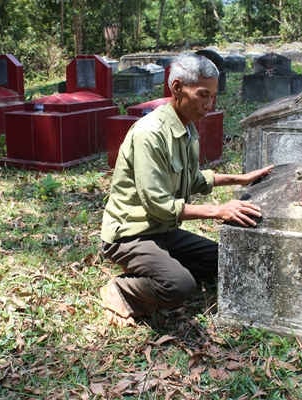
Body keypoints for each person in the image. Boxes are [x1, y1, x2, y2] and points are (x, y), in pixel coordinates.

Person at [99, 53, 273, 326]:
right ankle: (122, 289)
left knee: (222, 260)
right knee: (179, 286)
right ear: (177, 88)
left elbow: (193, 179)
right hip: (130, 235)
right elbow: (158, 205)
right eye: (203, 95)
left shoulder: (187, 129)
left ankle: (162, 266)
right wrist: (218, 211)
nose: (209, 104)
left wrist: (240, 179)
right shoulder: (150, 133)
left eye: (213, 96)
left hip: (162, 231)